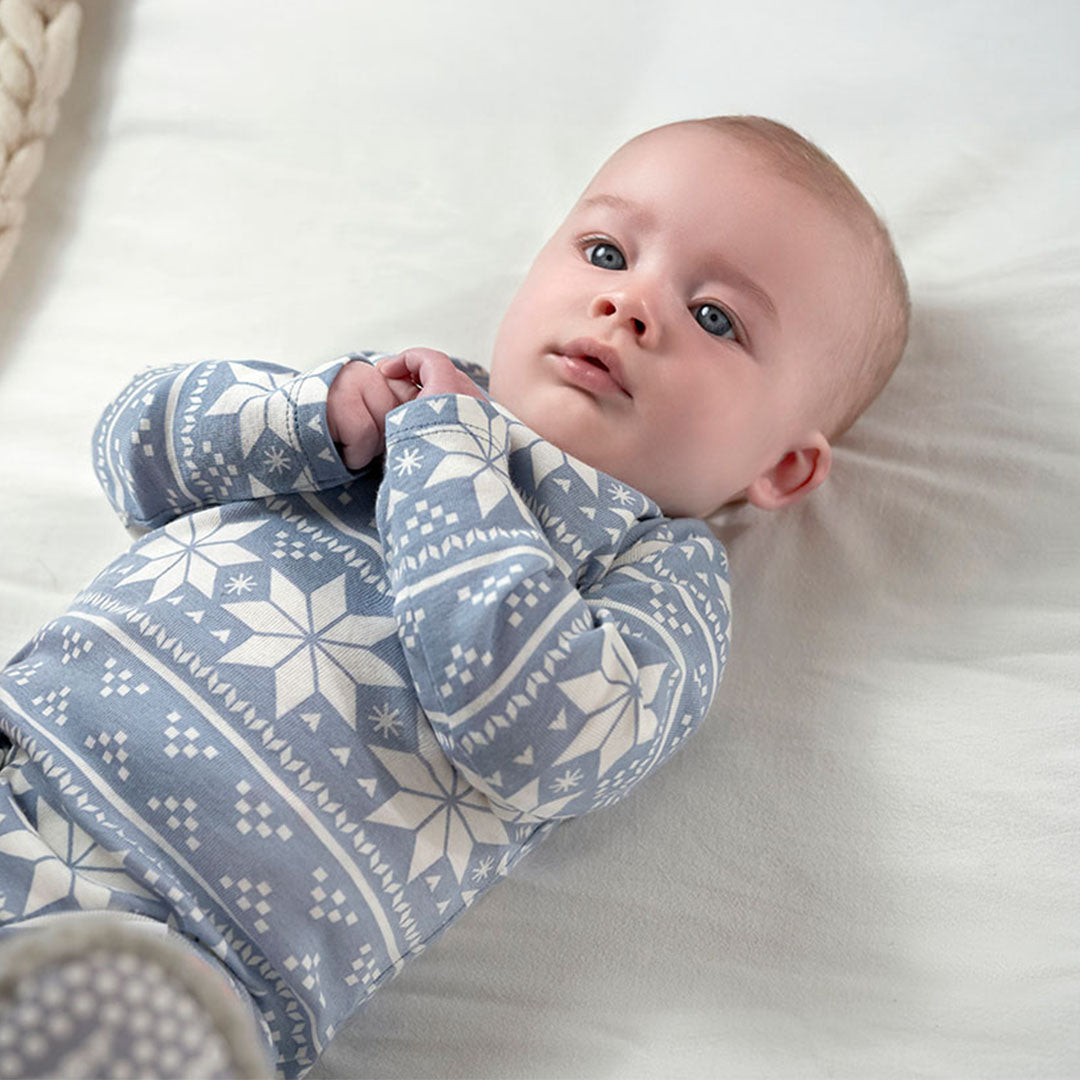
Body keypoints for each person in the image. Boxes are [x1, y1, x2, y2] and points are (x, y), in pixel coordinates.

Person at [0, 116, 909, 1079]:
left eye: (717, 316)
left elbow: (544, 741)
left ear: (784, 466)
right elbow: (134, 453)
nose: (630, 303)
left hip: (194, 953)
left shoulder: (660, 574)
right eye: (606, 252)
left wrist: (447, 454)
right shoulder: (378, 400)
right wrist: (311, 415)